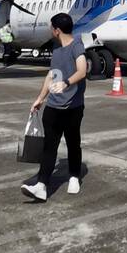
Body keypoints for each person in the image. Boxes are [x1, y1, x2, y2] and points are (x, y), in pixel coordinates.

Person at [22, 13, 89, 201]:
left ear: (56, 30)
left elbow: (82, 70)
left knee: (73, 142)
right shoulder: (56, 49)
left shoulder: (77, 45)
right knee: (49, 147)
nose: (50, 31)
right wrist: (40, 98)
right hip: (53, 106)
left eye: (51, 28)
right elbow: (51, 75)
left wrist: (66, 83)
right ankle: (42, 185)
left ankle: (75, 176)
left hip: (73, 107)